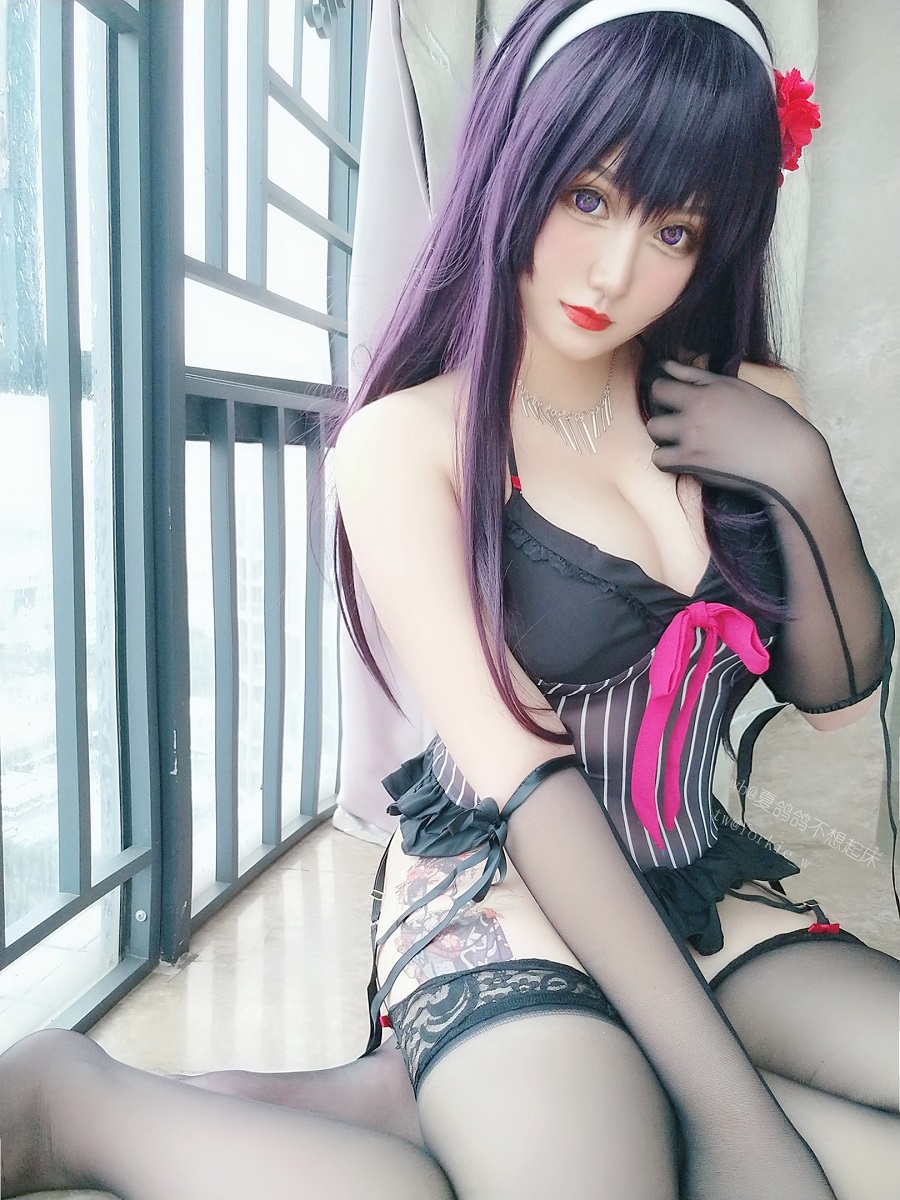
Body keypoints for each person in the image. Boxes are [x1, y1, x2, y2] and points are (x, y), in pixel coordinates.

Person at [1, 2, 898, 1198]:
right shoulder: (406, 443)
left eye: (674, 228)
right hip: (504, 896)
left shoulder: (747, 405)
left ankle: (425, 1099)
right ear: (514, 160)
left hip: (693, 887)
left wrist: (803, 475)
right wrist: (741, 1123)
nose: (616, 271)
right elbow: (524, 775)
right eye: (586, 196)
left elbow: (836, 699)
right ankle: (75, 1104)